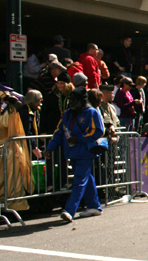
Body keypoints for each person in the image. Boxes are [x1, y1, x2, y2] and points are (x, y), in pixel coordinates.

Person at [45, 87, 105, 222]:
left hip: (85, 152)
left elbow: (98, 131)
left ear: (82, 101)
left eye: (74, 100)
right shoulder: (67, 114)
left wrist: (79, 138)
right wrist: (50, 148)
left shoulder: (91, 112)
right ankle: (94, 205)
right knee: (86, 178)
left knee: (79, 181)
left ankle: (69, 210)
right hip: (72, 152)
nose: (71, 102)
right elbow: (59, 132)